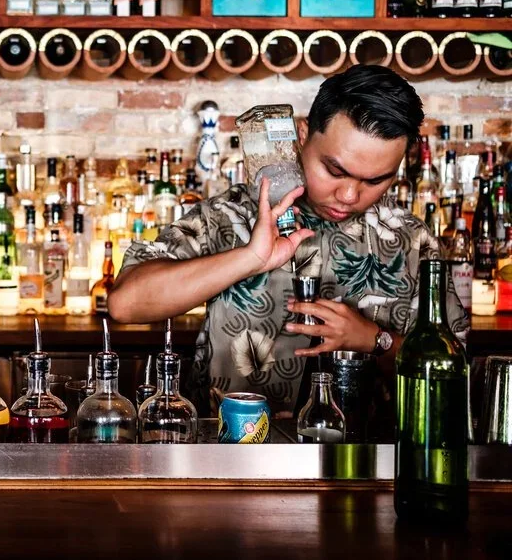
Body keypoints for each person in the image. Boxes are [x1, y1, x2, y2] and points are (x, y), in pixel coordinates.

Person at [109, 65, 469, 416]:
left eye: (375, 180)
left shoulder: (411, 239)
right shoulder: (232, 214)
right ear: (302, 134)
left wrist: (375, 339)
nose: (348, 194)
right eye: (335, 170)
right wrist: (249, 257)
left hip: (366, 464)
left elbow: (453, 374)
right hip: (230, 460)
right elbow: (126, 304)